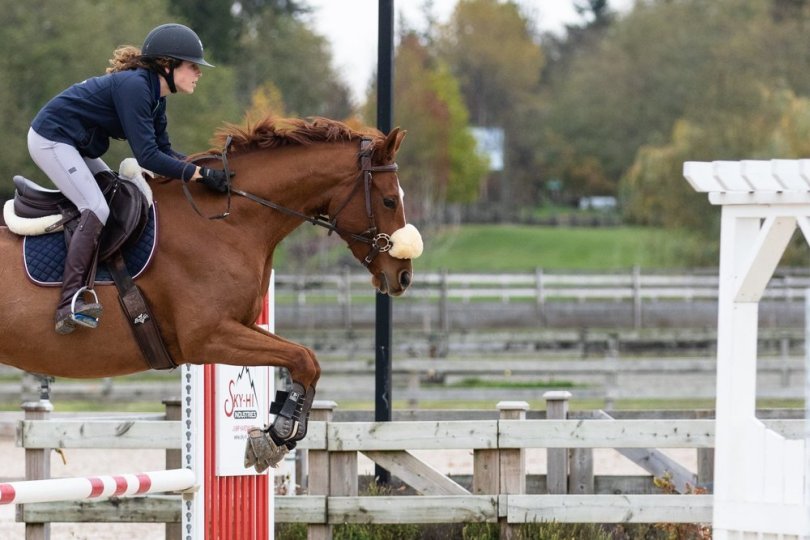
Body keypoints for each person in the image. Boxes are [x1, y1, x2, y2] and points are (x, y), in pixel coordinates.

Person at [27, 23, 231, 335]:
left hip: (72, 143)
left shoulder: (156, 96)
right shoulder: (136, 87)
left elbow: (165, 151)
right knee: (96, 208)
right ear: (168, 64)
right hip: (50, 138)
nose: (198, 73)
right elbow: (148, 157)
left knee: (112, 194)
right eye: (192, 66)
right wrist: (198, 174)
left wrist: (205, 169)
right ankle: (68, 304)